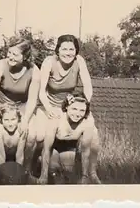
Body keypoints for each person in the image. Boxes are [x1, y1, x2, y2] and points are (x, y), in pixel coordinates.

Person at [37, 34, 101, 183]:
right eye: (64, 49)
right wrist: (49, 109)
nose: (68, 53)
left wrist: (84, 104)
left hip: (70, 106)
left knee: (94, 131)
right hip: (49, 104)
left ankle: (91, 174)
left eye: (71, 49)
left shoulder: (79, 61)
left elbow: (88, 87)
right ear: (57, 50)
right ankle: (39, 168)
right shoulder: (49, 62)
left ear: (76, 51)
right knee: (40, 135)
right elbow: (41, 91)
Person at [0, 37, 41, 179]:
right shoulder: (0, 66)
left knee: (31, 135)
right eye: (9, 53)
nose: (10, 57)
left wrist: (25, 121)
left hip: (22, 107)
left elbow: (33, 99)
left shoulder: (34, 71)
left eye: (15, 54)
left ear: (25, 56)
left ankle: (26, 171)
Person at [36, 93, 99, 184]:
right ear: (66, 107)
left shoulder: (87, 122)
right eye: (74, 109)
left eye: (82, 110)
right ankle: (38, 165)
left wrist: (85, 176)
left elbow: (86, 151)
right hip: (53, 146)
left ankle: (91, 174)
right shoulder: (56, 119)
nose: (77, 114)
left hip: (69, 147)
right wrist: (43, 176)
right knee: (53, 171)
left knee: (67, 172)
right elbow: (46, 149)